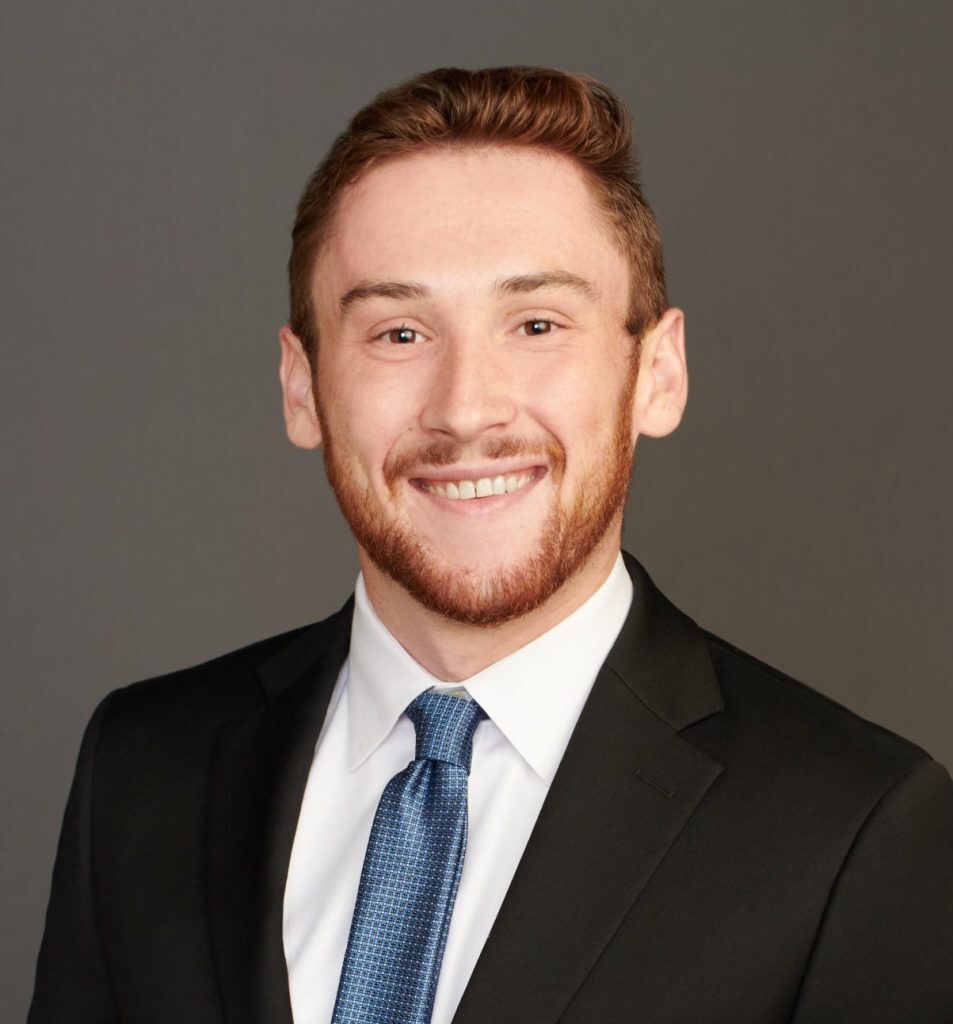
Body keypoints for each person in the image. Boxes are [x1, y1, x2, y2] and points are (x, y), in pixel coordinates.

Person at [29, 66, 953, 1024]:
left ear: (657, 373)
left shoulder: (855, 830)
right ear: (302, 389)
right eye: (398, 333)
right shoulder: (143, 768)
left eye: (536, 324)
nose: (466, 408)